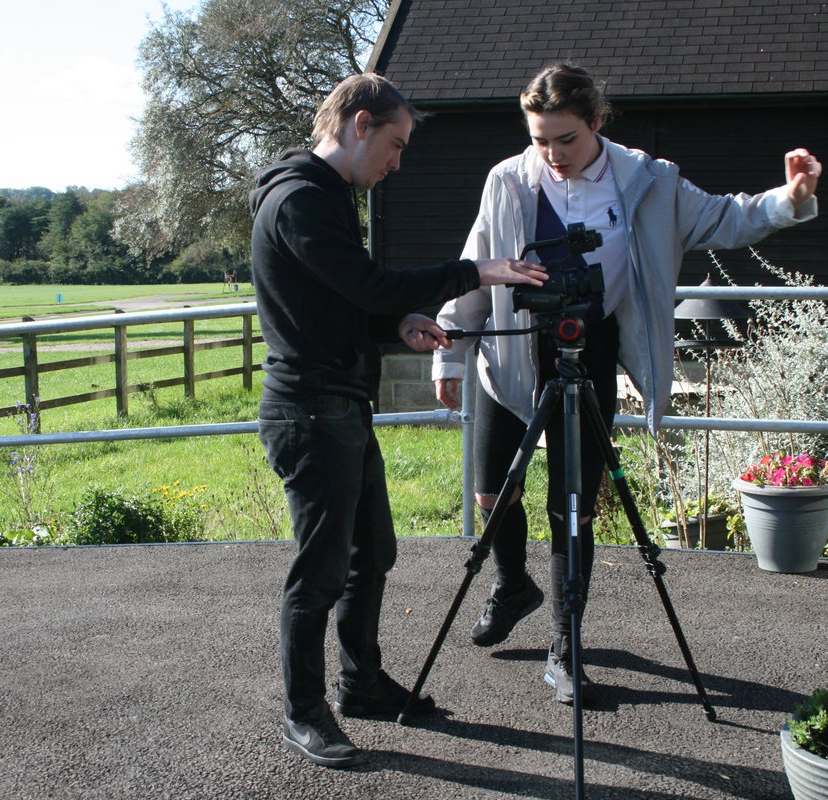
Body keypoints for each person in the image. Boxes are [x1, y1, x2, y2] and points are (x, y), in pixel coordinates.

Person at [432, 63, 821, 706]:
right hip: (511, 356)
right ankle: (511, 585)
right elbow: (479, 262)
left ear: (597, 123)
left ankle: (566, 641)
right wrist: (451, 351)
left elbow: (725, 218)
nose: (553, 156)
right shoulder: (507, 180)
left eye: (566, 139)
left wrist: (792, 199)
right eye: (540, 140)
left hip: (589, 352)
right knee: (489, 491)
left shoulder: (648, 180)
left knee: (572, 503)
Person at [248, 73, 548, 769]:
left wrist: (398, 325)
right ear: (358, 123)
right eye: (395, 142)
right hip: (310, 411)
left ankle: (362, 685)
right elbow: (366, 285)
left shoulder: (322, 199)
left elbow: (345, 302)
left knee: (370, 554)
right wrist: (476, 273)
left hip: (340, 404)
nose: (398, 161)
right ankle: (304, 712)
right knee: (319, 572)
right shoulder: (300, 200)